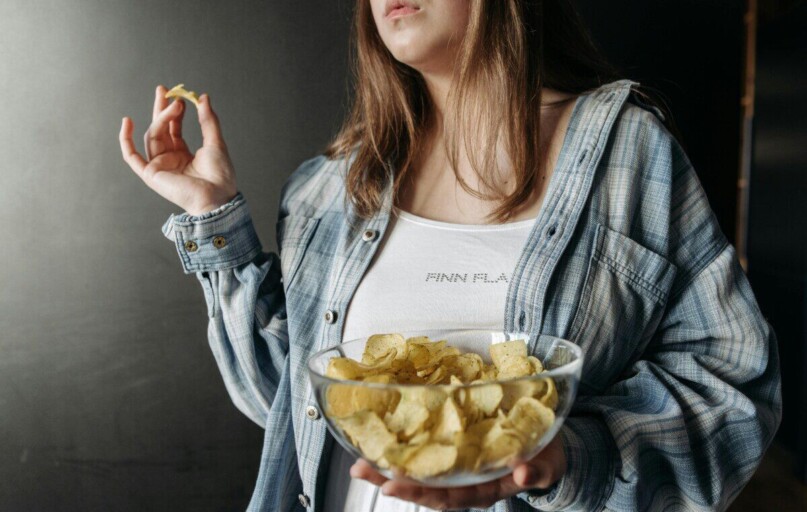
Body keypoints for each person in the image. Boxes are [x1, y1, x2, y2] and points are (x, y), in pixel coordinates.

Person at [118, 0, 782, 510]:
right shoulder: (330, 186)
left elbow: (731, 387)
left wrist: (566, 458)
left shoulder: (626, 153)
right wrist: (212, 215)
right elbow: (285, 403)